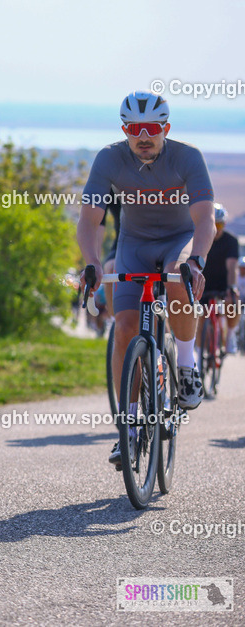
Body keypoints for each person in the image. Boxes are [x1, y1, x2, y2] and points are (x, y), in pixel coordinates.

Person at [78, 91, 214, 467]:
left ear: (165, 129)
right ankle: (128, 427)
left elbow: (204, 219)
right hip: (133, 244)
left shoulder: (188, 157)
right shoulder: (109, 158)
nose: (143, 137)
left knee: (176, 278)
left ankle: (185, 365)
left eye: (152, 128)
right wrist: (92, 263)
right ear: (124, 130)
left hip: (178, 241)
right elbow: (89, 220)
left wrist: (197, 261)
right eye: (134, 129)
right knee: (124, 329)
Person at [199, 203, 240, 354]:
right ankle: (199, 351)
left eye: (219, 225)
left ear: (224, 224)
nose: (216, 229)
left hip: (223, 283)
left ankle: (230, 335)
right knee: (199, 316)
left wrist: (232, 287)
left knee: (233, 302)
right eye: (213, 225)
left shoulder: (231, 241)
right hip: (204, 283)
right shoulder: (200, 238)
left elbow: (232, 267)